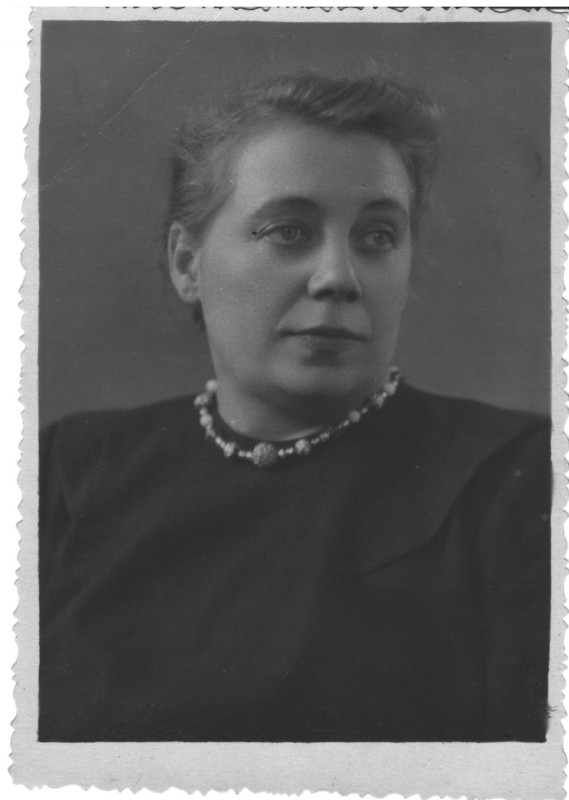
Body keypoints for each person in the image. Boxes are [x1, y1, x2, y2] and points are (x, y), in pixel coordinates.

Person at [38, 72, 551, 743]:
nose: (338, 277)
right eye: (288, 231)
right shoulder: (74, 470)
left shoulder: (514, 478)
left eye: (377, 237)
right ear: (187, 263)